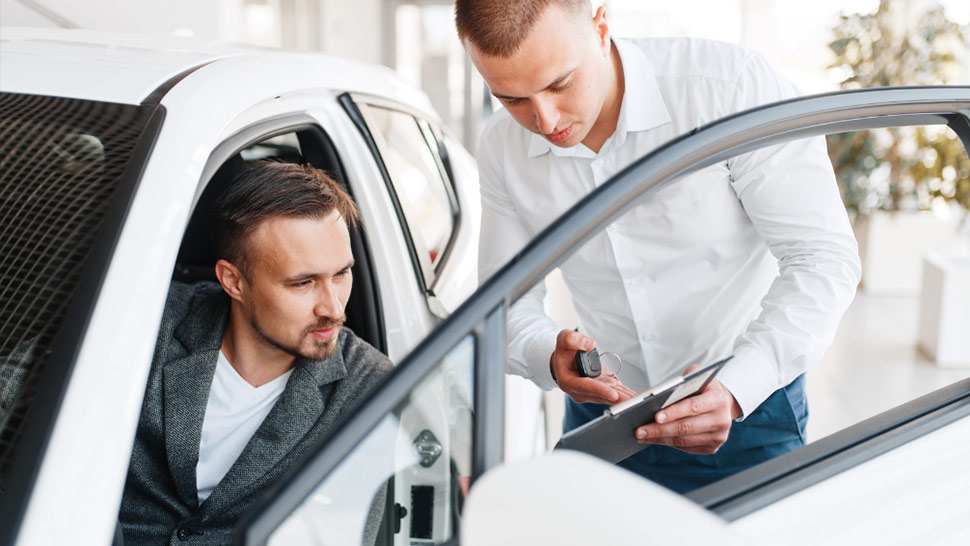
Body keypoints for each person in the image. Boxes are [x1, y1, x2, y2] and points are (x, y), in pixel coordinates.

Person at [456, 0, 861, 493]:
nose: (544, 119)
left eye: (559, 83)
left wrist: (739, 387)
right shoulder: (502, 148)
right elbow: (505, 304)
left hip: (748, 411)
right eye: (511, 99)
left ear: (600, 27)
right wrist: (546, 354)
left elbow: (823, 258)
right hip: (600, 421)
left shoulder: (730, 90)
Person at [119, 161, 392, 544]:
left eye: (341, 274)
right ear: (233, 281)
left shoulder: (371, 387)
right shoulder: (146, 326)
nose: (333, 308)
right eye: (303, 283)